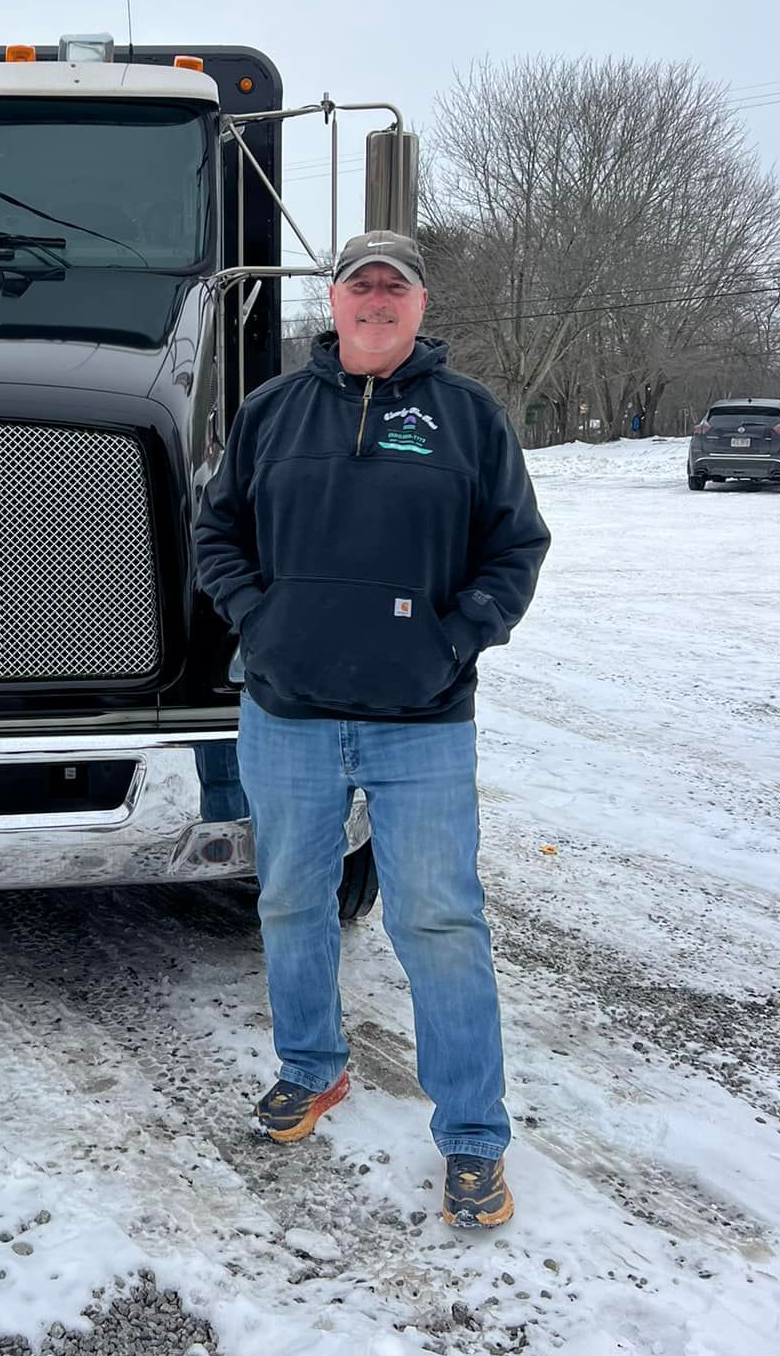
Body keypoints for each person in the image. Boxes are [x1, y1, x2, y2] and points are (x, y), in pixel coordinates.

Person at [195, 230, 550, 1228]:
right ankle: (312, 1066)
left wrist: (458, 637)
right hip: (288, 717)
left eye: (396, 285)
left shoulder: (468, 418)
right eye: (362, 284)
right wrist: (259, 617)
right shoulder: (273, 411)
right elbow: (216, 528)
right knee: (292, 900)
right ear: (336, 301)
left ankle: (474, 1134)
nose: (378, 298)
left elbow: (514, 546)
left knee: (438, 922)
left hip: (422, 724)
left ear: (421, 306)